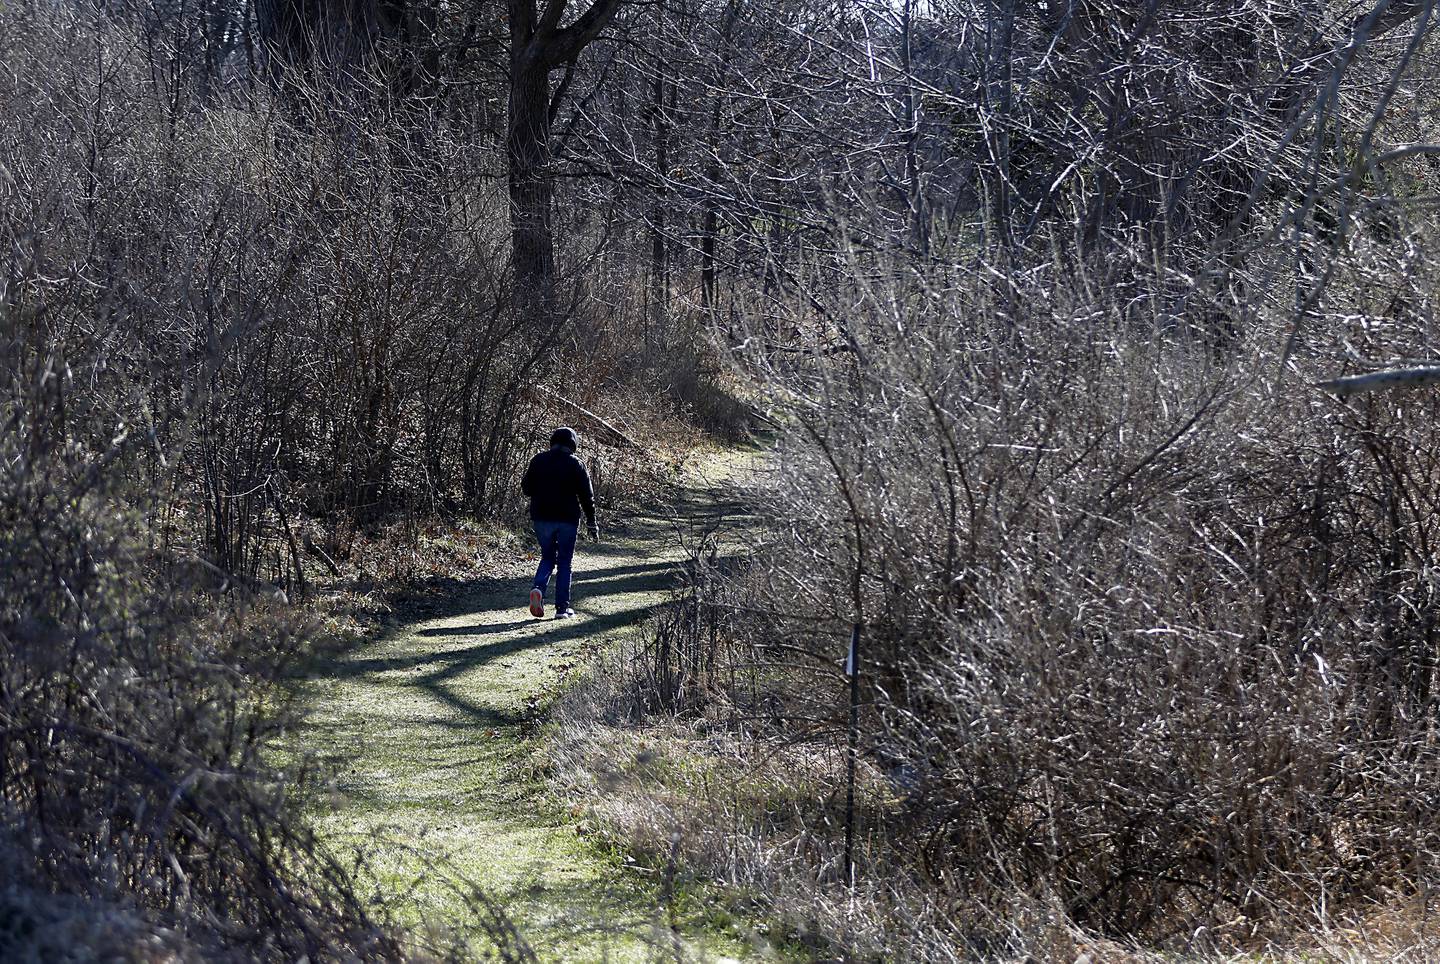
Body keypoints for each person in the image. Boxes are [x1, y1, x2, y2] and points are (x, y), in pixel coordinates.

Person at [521, 426, 599, 619]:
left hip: (541, 518)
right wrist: (592, 522)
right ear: (573, 444)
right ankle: (562, 609)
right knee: (564, 562)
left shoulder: (538, 460)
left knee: (547, 557)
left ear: (552, 441)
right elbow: (587, 497)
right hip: (567, 520)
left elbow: (526, 489)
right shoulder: (576, 464)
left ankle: (538, 589)